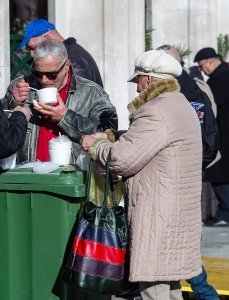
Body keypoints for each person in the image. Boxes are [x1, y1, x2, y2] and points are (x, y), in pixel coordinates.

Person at [81, 49, 203, 300]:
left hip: (158, 216)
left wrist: (95, 146)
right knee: (169, 289)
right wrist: (116, 138)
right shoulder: (180, 104)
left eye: (138, 80)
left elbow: (121, 160)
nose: (137, 89)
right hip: (176, 214)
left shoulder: (155, 111)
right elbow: (149, 145)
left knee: (153, 290)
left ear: (149, 79)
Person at [156, 44, 219, 300]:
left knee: (179, 244)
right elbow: (210, 138)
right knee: (183, 244)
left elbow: (204, 136)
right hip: (190, 174)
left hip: (175, 178)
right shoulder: (195, 87)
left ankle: (205, 293)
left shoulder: (179, 92)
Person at [1, 39, 117, 164]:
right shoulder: (21, 86)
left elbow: (109, 134)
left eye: (52, 74)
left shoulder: (92, 93)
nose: (44, 80)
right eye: (38, 73)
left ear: (67, 66)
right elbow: (3, 134)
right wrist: (13, 103)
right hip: (30, 175)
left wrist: (65, 117)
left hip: (71, 176)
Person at [194, 47, 229, 227]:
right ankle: (225, 213)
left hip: (224, 136)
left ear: (210, 61)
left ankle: (225, 215)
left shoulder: (220, 77)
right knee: (224, 176)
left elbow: (212, 103)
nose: (203, 71)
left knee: (222, 176)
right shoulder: (227, 74)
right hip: (228, 135)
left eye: (202, 66)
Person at [18, 19, 103, 87]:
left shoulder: (73, 59)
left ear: (48, 38)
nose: (32, 54)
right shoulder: (72, 52)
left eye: (34, 48)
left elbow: (81, 99)